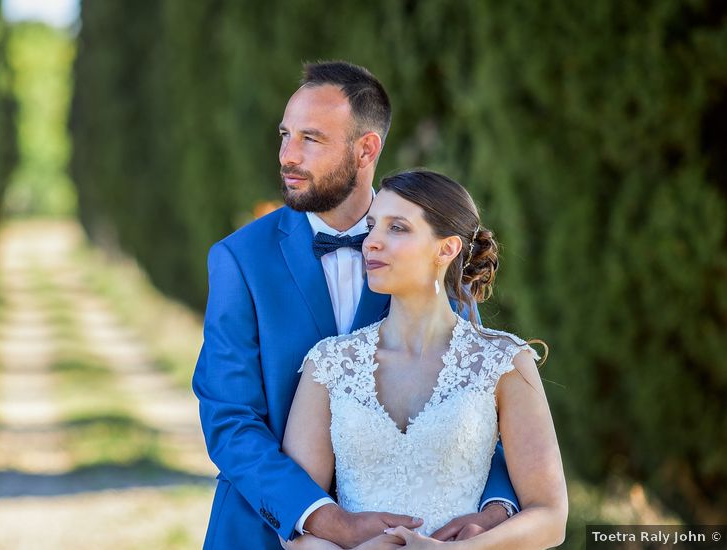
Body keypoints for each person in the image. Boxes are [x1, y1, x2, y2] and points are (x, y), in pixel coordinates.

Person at [193, 61, 519, 549]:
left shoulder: (430, 252)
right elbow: (230, 421)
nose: (287, 155)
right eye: (285, 135)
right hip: (265, 532)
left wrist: (493, 512)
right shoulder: (239, 260)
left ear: (366, 149)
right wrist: (328, 522)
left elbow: (479, 405)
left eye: (311, 139)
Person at [281, 170, 568, 549]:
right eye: (372, 227)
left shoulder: (503, 362)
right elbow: (298, 530)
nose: (372, 243)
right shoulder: (329, 364)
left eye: (397, 228)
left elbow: (550, 517)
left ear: (446, 249)